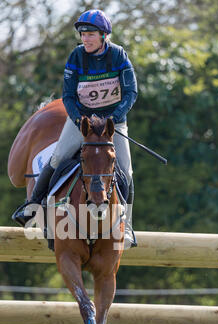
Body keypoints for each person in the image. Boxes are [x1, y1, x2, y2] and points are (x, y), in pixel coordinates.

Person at [12, 9, 138, 247]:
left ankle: (127, 226)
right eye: (83, 34)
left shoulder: (119, 56)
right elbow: (68, 96)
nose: (85, 39)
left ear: (104, 35)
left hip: (113, 122)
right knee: (58, 158)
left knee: (126, 171)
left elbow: (131, 92)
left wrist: (114, 118)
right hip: (82, 120)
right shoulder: (76, 56)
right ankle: (33, 206)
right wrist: (80, 119)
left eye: (90, 34)